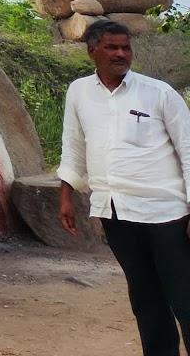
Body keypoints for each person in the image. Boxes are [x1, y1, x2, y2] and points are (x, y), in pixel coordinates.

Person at [58, 19, 190, 355]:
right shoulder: (79, 92)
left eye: (126, 47)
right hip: (116, 212)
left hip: (167, 213)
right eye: (112, 47)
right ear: (92, 51)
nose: (121, 53)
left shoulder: (158, 93)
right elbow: (73, 145)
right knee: (145, 299)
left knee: (185, 298)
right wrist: (66, 195)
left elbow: (189, 150)